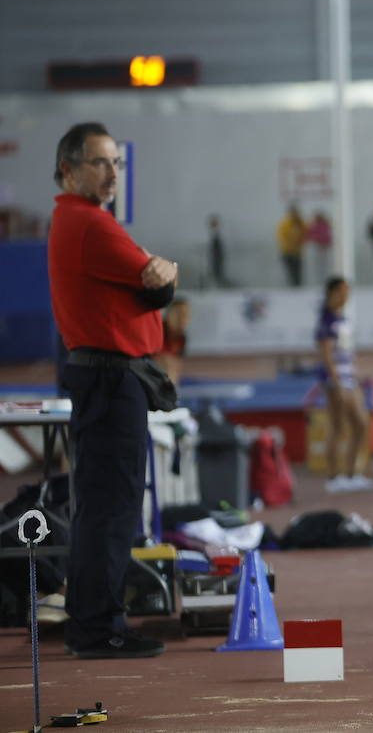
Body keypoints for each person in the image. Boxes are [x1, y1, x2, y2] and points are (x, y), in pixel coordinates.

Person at [48, 121, 178, 658]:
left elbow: (150, 292)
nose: (110, 174)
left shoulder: (76, 222)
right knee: (113, 507)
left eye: (116, 164)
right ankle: (100, 627)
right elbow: (157, 283)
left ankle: (92, 622)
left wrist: (159, 280)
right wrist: (167, 270)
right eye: (99, 163)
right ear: (68, 170)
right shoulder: (93, 227)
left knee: (102, 505)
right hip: (110, 377)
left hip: (102, 375)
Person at [316, 276, 373, 493]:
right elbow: (327, 355)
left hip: (350, 379)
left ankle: (352, 473)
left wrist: (356, 376)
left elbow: (348, 352)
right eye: (341, 292)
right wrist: (336, 381)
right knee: (337, 426)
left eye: (347, 292)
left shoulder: (344, 319)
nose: (345, 296)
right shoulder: (327, 320)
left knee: (361, 423)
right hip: (337, 381)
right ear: (331, 294)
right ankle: (334, 477)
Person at [155, 298, 190, 387]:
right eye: (179, 314)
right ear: (169, 314)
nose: (183, 319)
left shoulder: (182, 338)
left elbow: (178, 365)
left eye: (186, 315)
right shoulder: (157, 330)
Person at [276, 205, 306, 287]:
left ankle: (297, 287)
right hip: (287, 252)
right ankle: (290, 287)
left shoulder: (300, 223)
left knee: (297, 272)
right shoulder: (286, 224)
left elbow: (305, 235)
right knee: (289, 272)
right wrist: (289, 243)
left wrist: (299, 243)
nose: (294, 214)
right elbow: (281, 236)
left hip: (297, 252)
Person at [206, 214, 228, 287]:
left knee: (218, 270)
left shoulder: (218, 234)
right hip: (215, 257)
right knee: (215, 271)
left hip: (218, 256)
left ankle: (219, 283)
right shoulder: (213, 234)